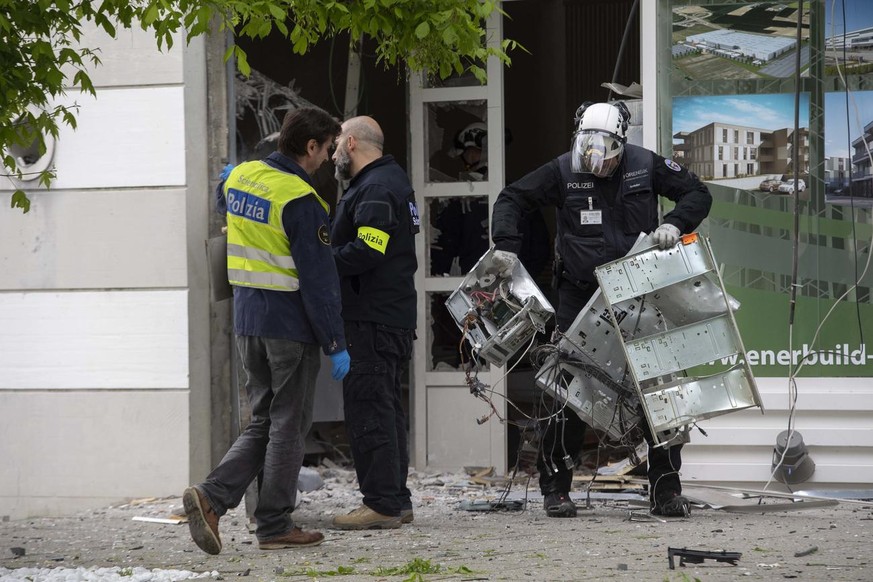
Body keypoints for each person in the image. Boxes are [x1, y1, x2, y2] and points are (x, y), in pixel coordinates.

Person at [490, 101, 712, 518]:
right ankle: (556, 488)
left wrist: (675, 224)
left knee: (655, 385)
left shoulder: (646, 165)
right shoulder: (561, 171)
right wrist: (505, 247)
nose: (598, 169)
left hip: (638, 290)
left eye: (607, 162)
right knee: (567, 388)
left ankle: (665, 491)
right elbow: (512, 199)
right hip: (578, 291)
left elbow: (698, 193)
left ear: (621, 146)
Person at [183, 106, 351, 554]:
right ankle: (274, 524)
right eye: (328, 149)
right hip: (288, 327)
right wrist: (335, 343)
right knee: (288, 425)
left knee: (264, 419)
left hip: (247, 322)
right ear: (310, 146)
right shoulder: (302, 200)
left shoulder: (241, 178)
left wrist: (229, 178)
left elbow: (223, 200)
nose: (329, 159)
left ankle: (212, 498)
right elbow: (319, 282)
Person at [330, 116, 420, 530]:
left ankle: (382, 503)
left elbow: (369, 249)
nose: (332, 154)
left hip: (372, 319)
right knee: (386, 407)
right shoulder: (387, 182)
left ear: (351, 143)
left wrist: (319, 264)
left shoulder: (377, 187)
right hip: (387, 316)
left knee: (369, 406)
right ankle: (395, 501)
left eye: (335, 146)